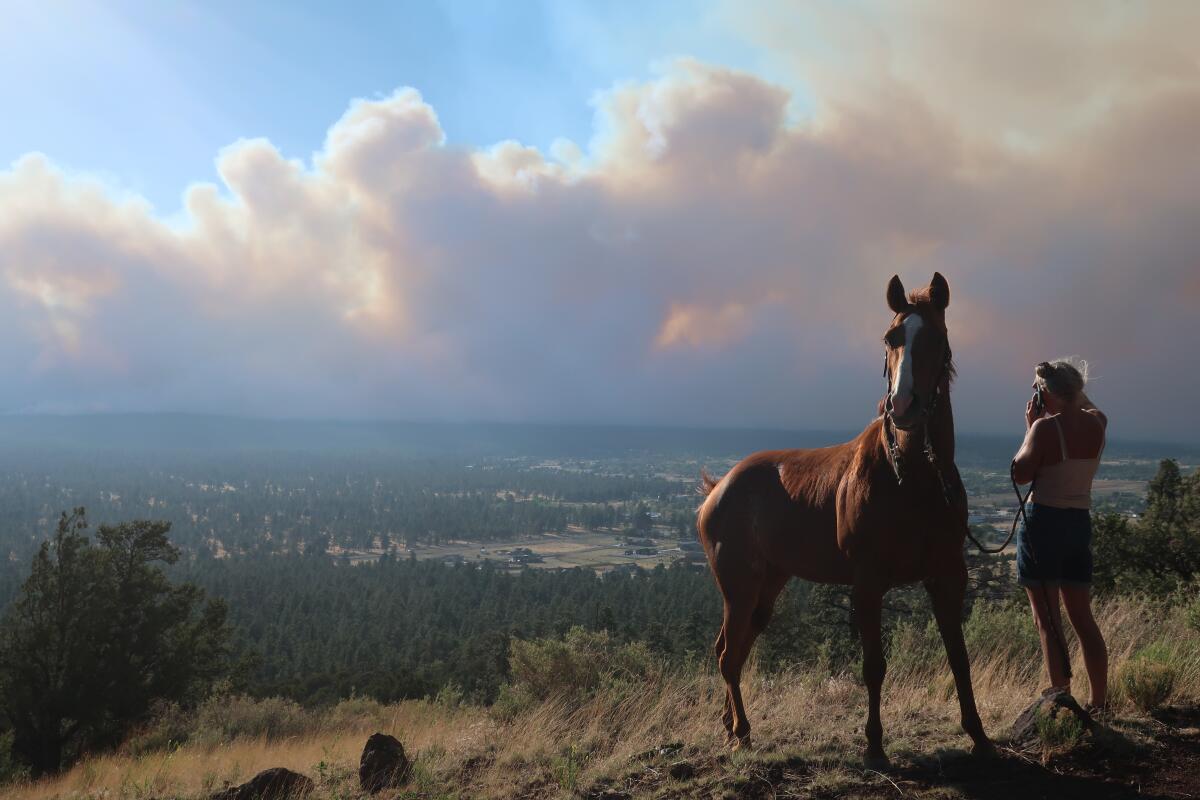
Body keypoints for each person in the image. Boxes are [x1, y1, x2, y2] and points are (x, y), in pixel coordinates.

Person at [1011, 357, 1109, 710]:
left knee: (1048, 619)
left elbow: (1020, 473)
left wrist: (1030, 426)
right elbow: (1086, 405)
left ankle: (1062, 702)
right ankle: (1099, 703)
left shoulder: (1044, 429)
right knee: (1082, 618)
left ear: (1047, 396)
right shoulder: (1098, 422)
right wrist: (1060, 391)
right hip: (1079, 522)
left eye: (1039, 391)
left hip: (1044, 522)